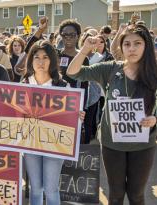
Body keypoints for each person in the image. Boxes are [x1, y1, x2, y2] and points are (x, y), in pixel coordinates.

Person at [67, 23, 157, 205]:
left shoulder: (153, 72)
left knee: (136, 195)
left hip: (143, 145)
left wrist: (155, 119)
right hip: (112, 144)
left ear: (146, 45)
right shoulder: (110, 68)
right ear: (121, 47)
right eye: (127, 44)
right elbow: (73, 72)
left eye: (137, 43)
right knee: (115, 195)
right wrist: (84, 50)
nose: (131, 48)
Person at [23, 40, 85, 205]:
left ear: (52, 60)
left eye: (45, 57)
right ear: (31, 60)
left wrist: (78, 118)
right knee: (35, 189)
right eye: (37, 57)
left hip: (54, 146)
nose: (41, 62)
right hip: (30, 144)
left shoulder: (63, 86)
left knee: (51, 189)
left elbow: (71, 121)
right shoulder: (23, 86)